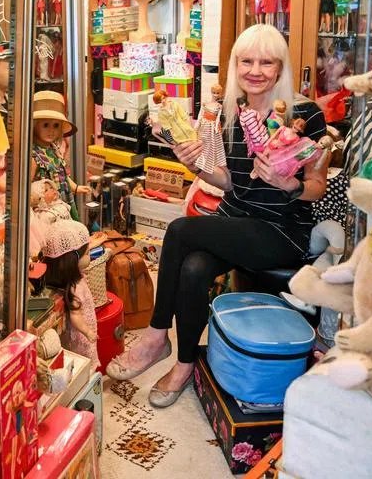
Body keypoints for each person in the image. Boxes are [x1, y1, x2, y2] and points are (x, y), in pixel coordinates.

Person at [105, 24, 328, 407]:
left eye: (266, 62)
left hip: (282, 230)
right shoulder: (228, 114)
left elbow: (318, 186)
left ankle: (157, 335)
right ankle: (185, 363)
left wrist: (288, 184)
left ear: (280, 69)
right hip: (235, 218)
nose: (255, 70)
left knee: (178, 229)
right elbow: (227, 182)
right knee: (192, 268)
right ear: (234, 65)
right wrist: (194, 165)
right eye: (246, 61)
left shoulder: (303, 114)